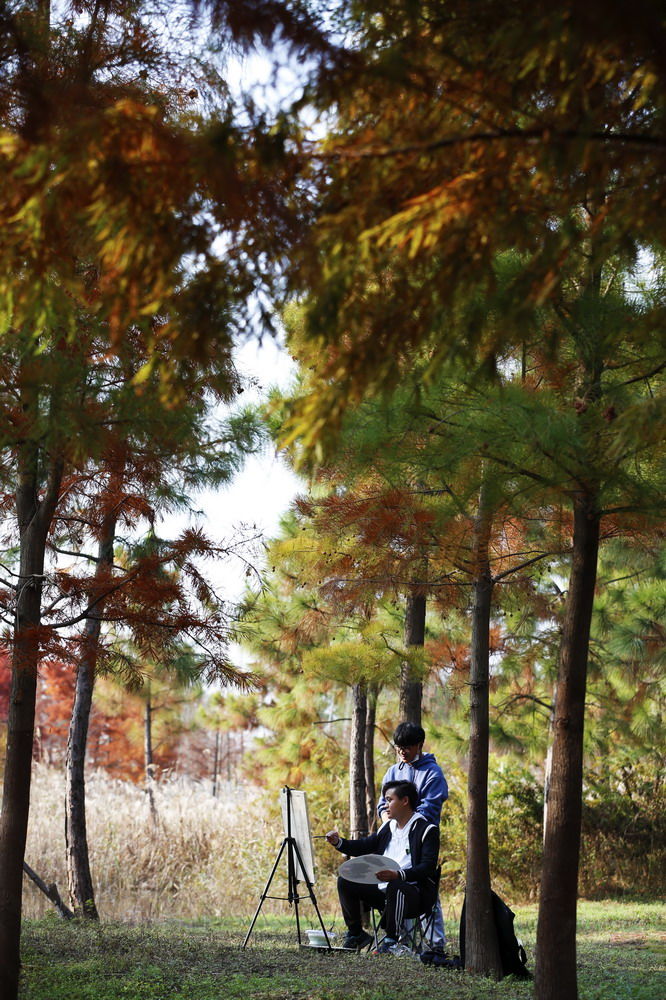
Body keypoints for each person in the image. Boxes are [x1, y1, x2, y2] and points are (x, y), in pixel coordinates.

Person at [326, 779, 439, 954]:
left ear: (405, 801)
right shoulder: (388, 826)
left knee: (396, 886)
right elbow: (365, 846)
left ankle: (391, 940)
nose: (385, 805)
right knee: (345, 881)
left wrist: (398, 875)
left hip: (414, 895)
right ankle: (356, 934)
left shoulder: (426, 829)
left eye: (389, 799)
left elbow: (428, 867)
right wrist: (339, 842)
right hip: (383, 890)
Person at [377, 722, 448, 950]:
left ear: (419, 745)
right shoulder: (393, 771)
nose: (402, 752)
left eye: (407, 747)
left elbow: (430, 808)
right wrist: (389, 821)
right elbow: (382, 804)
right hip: (395, 839)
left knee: (425, 887)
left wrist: (404, 821)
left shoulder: (432, 773)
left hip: (422, 840)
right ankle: (402, 939)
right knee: (397, 883)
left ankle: (436, 943)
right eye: (399, 747)